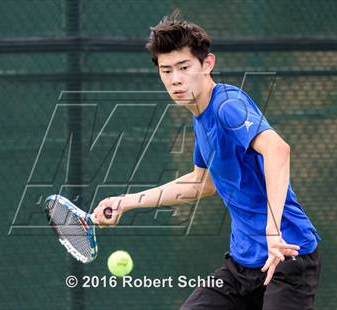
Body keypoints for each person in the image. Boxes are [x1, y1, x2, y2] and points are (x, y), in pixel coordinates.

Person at [93, 11, 321, 310]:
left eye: (184, 67)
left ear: (207, 64)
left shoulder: (227, 105)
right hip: (243, 265)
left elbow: (278, 150)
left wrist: (272, 231)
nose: (175, 79)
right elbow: (202, 183)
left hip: (287, 255)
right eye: (166, 70)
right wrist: (125, 202)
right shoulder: (201, 118)